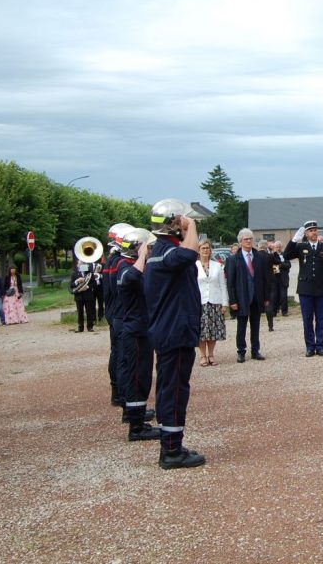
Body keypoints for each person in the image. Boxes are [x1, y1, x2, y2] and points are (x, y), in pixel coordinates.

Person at [144, 199, 205, 469]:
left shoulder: (162, 251)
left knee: (173, 388)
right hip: (174, 331)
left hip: (173, 329)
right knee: (174, 390)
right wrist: (191, 225)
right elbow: (190, 254)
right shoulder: (167, 252)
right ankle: (171, 450)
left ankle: (172, 444)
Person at [115, 228, 162, 442]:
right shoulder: (124, 266)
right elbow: (131, 278)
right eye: (146, 247)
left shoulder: (133, 265)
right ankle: (135, 426)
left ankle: (139, 417)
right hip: (134, 331)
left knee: (142, 376)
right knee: (136, 376)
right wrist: (143, 255)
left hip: (142, 329)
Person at [284, 221, 323, 357]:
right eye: (311, 230)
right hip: (305, 289)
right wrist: (293, 240)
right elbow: (286, 255)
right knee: (307, 319)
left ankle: (320, 346)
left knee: (321, 319)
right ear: (306, 233)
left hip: (321, 288)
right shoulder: (301, 246)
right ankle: (309, 346)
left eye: (315, 230)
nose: (314, 232)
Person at [225, 228, 273, 362]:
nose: (248, 241)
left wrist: (266, 297)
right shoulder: (233, 259)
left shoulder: (259, 257)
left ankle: (255, 350)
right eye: (245, 239)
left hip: (257, 297)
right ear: (240, 241)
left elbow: (265, 279)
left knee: (256, 325)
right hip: (241, 298)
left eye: (250, 239)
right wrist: (232, 301)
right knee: (241, 326)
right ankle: (241, 351)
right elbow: (231, 282)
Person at [102, 223, 134, 408]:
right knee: (122, 355)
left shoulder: (112, 260)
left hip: (114, 312)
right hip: (121, 313)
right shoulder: (119, 261)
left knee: (117, 353)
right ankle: (122, 395)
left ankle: (118, 392)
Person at [196, 238, 227, 366]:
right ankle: (202, 355)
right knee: (202, 331)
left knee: (213, 330)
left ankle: (211, 354)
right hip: (200, 302)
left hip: (215, 301)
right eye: (203, 248)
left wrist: (225, 303)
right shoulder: (194, 266)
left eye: (207, 248)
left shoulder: (218, 265)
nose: (206, 250)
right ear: (198, 250)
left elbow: (222, 285)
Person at [70, 258, 98, 333]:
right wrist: (77, 281)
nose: (82, 265)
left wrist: (88, 287)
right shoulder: (74, 274)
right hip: (79, 296)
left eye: (83, 264)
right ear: (77, 265)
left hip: (88, 295)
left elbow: (94, 284)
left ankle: (90, 327)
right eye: (80, 264)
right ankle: (80, 327)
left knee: (89, 311)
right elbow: (71, 285)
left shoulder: (89, 273)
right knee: (80, 312)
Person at [258, 240, 277, 332]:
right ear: (266, 247)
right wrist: (274, 251)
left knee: (257, 304)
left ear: (259, 246)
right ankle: (270, 325)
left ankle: (256, 325)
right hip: (270, 282)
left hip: (258, 282)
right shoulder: (270, 256)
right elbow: (278, 261)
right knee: (269, 303)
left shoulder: (255, 256)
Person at [272, 240, 291, 316]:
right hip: (274, 278)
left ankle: (284, 311)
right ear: (274, 248)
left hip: (284, 278)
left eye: (279, 247)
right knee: (274, 296)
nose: (278, 248)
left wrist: (281, 265)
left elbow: (288, 265)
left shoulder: (285, 255)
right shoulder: (272, 255)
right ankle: (274, 311)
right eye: (276, 247)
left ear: (282, 247)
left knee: (284, 296)